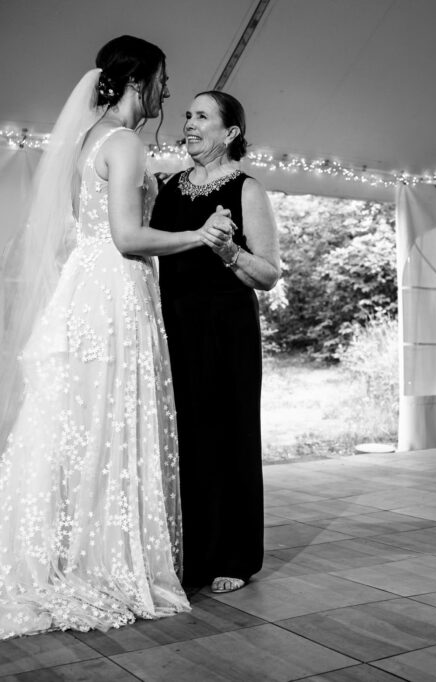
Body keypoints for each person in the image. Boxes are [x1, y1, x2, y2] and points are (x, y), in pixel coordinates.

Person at [0, 36, 234, 642]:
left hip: (88, 290)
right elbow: (128, 237)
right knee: (110, 421)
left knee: (81, 425)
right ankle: (102, 563)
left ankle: (66, 556)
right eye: (164, 79)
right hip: (113, 293)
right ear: (140, 82)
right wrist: (201, 237)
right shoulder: (125, 142)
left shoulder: (91, 140)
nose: (168, 91)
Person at [151, 91, 281, 595]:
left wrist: (228, 249)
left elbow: (268, 274)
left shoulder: (249, 190)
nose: (188, 122)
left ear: (229, 133)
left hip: (227, 330)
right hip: (173, 325)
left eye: (202, 116)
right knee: (184, 438)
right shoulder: (166, 188)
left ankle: (234, 553)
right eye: (187, 114)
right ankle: (190, 551)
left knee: (229, 436)